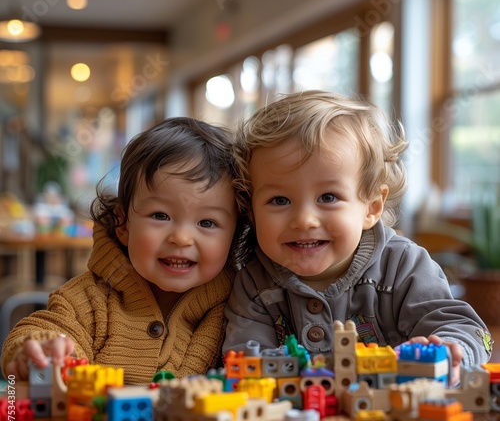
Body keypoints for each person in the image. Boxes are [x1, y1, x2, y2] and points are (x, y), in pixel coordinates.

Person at [222, 90, 492, 385]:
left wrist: (454, 351)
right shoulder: (253, 283)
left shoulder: (402, 264)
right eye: (279, 200)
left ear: (371, 207)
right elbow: (245, 363)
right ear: (251, 210)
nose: (304, 220)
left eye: (328, 197)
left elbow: (465, 327)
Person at [2, 117, 248, 384]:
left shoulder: (241, 306)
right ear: (123, 224)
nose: (181, 238)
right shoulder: (88, 299)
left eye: (207, 223)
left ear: (234, 234)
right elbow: (49, 327)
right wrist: (45, 349)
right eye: (160, 216)